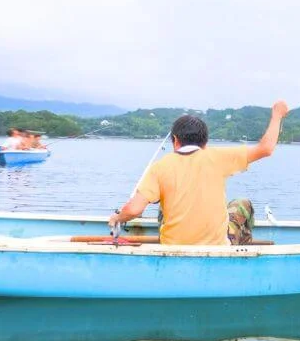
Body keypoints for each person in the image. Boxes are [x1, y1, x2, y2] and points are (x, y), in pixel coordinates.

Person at [108, 100, 289, 245]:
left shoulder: (159, 167)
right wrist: (277, 115)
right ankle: (241, 254)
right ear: (205, 142)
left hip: (172, 246)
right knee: (243, 204)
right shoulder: (217, 157)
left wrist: (118, 217)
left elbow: (134, 209)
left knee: (163, 202)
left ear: (175, 140)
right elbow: (266, 149)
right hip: (216, 246)